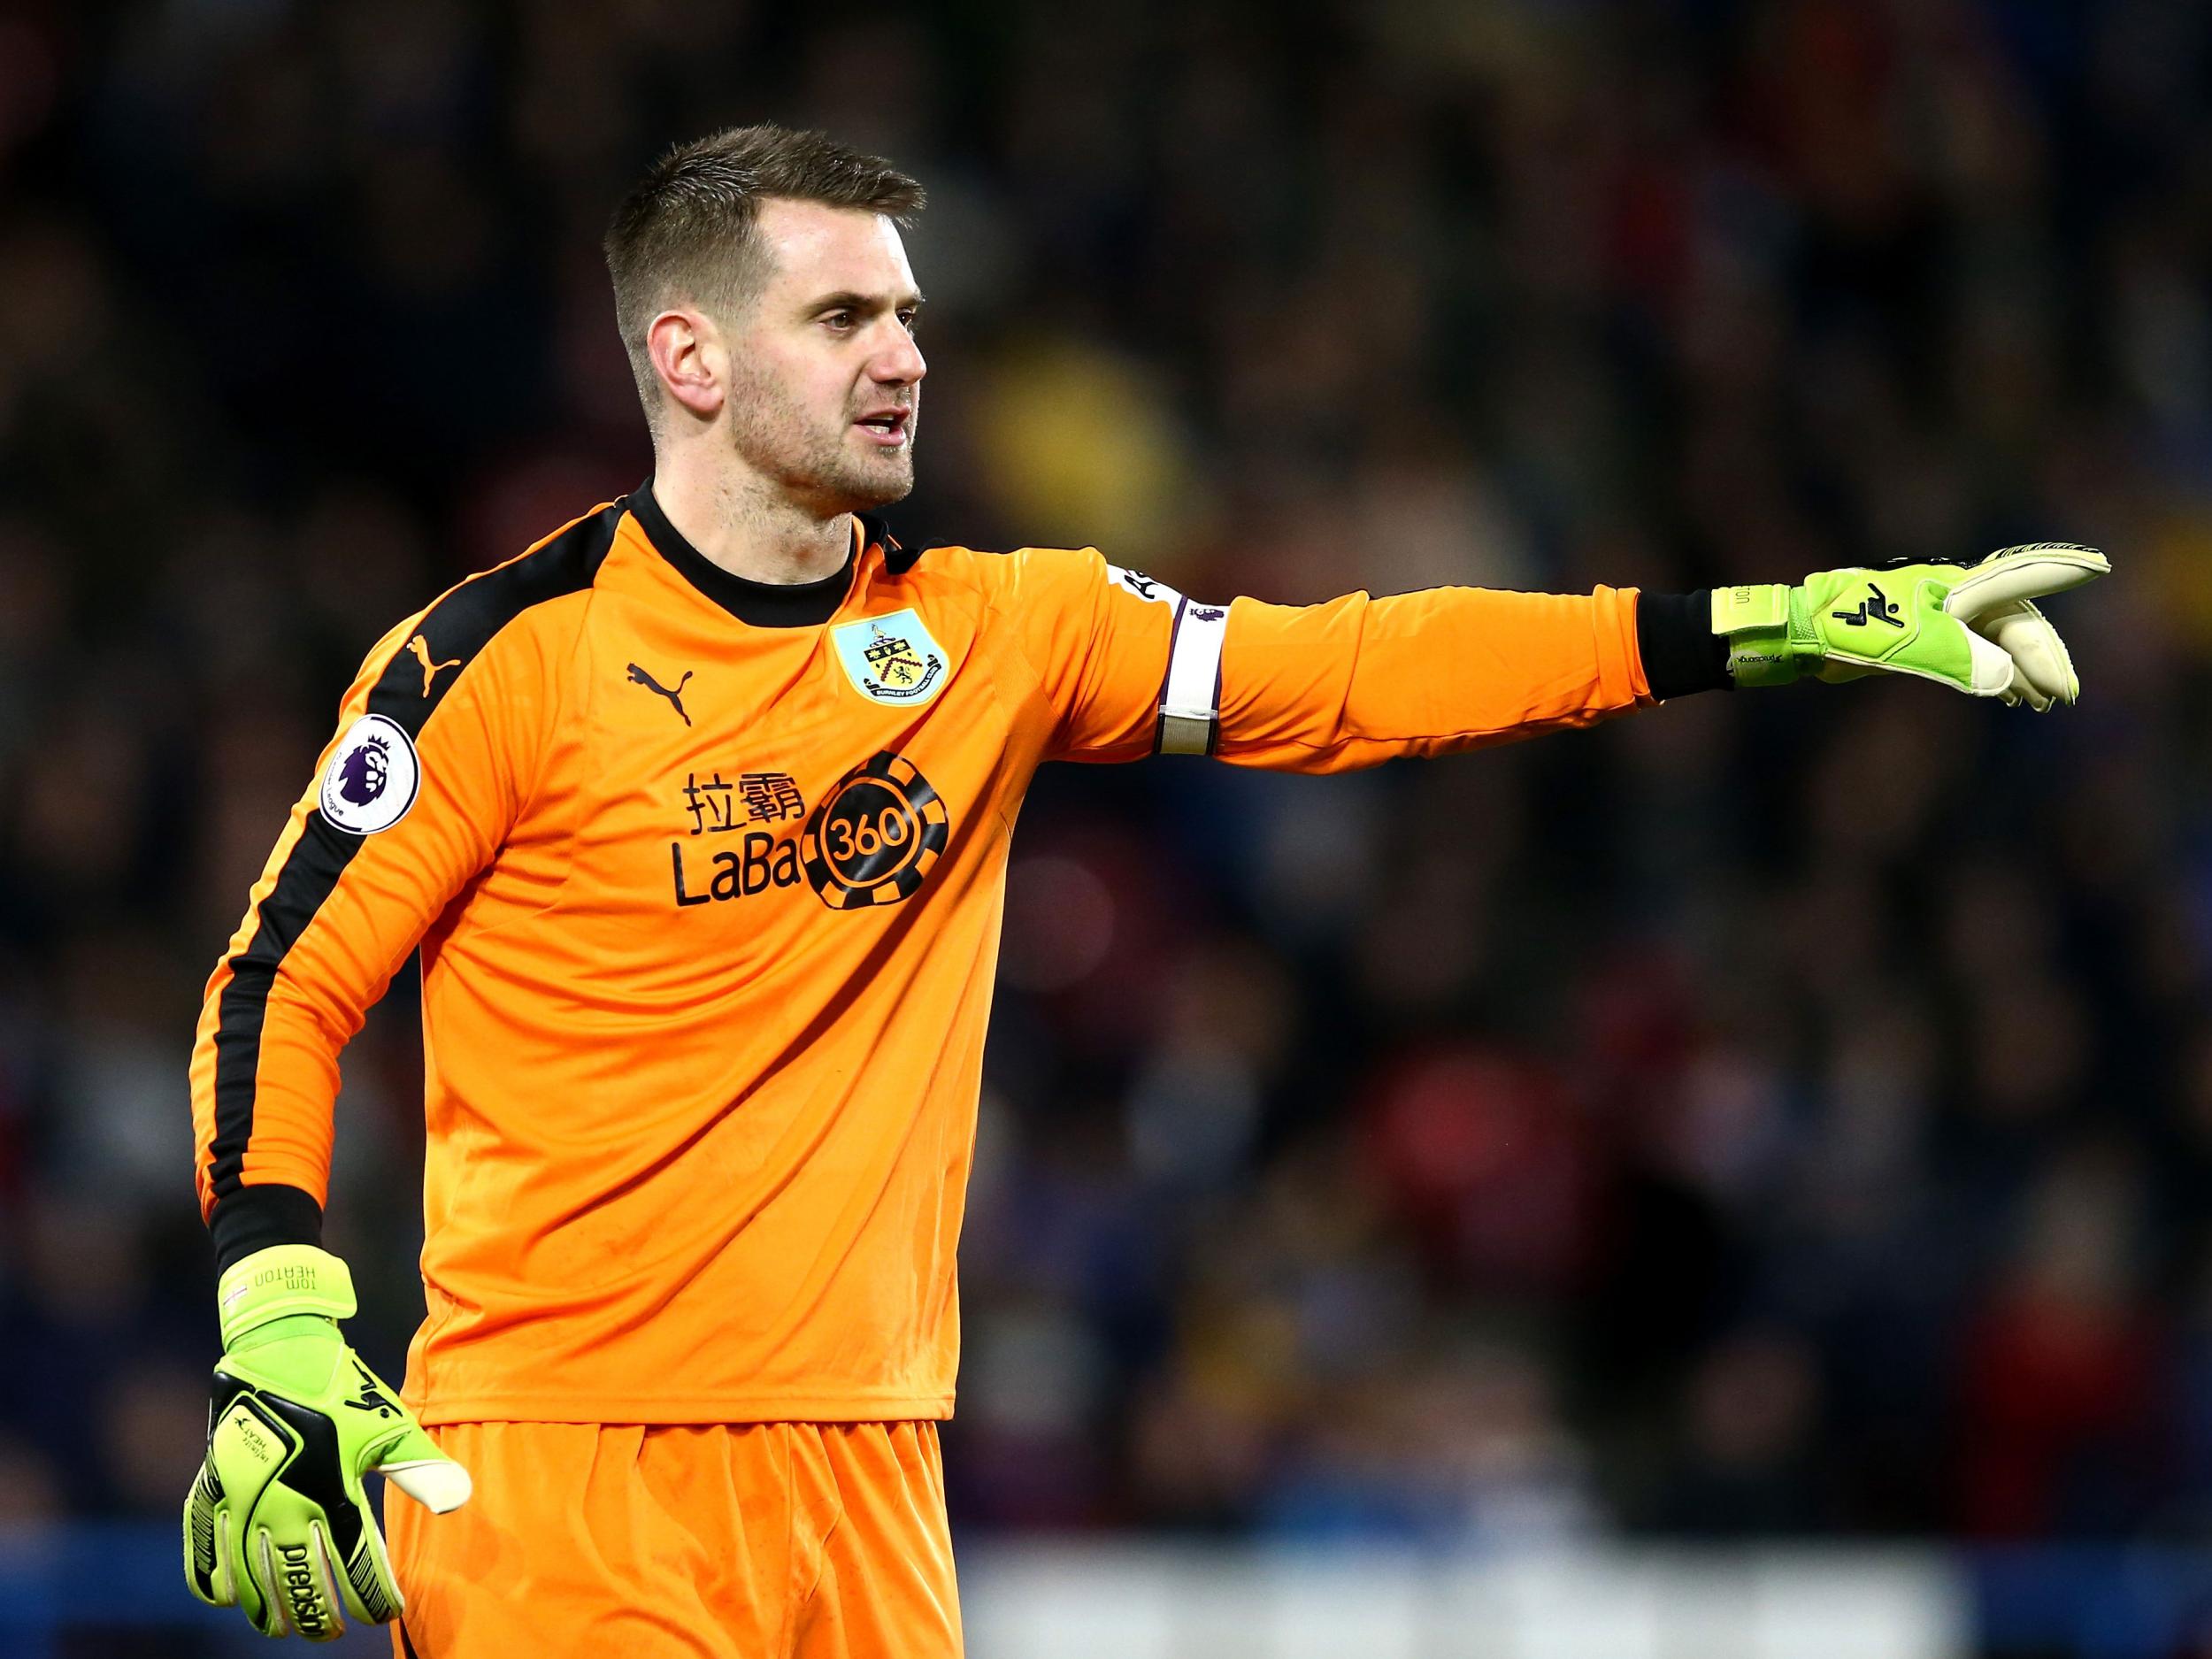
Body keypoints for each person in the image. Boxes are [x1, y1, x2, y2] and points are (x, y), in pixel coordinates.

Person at [180, 124, 2107, 1656]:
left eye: (909, 314)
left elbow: (1343, 669)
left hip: (866, 1461)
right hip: (560, 1467)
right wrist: (277, 1312)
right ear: (685, 354)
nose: (905, 355)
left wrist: (1748, 629)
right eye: (843, 314)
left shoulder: (1002, 631)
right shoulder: (497, 659)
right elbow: (285, 978)